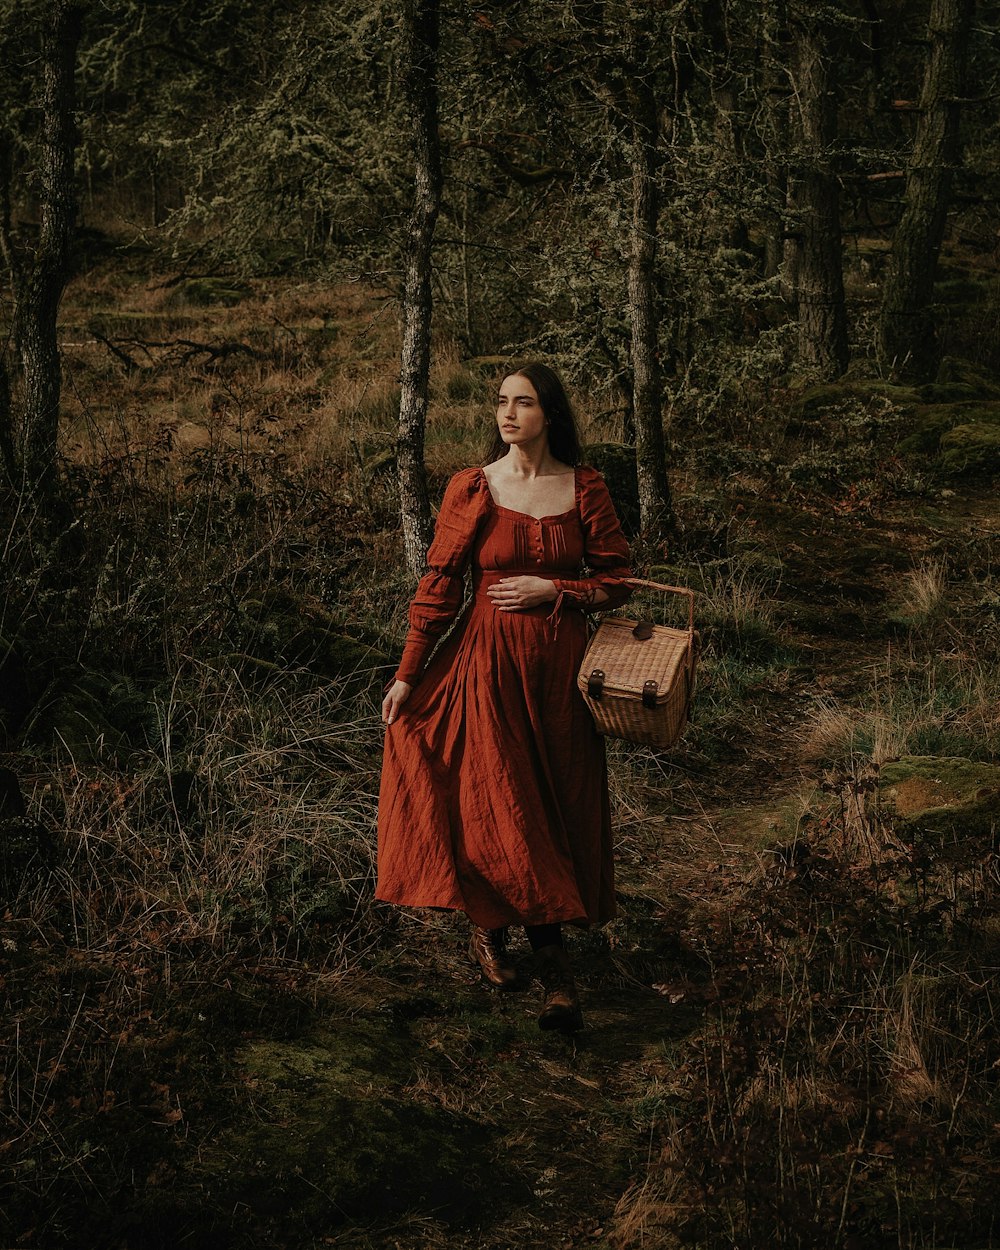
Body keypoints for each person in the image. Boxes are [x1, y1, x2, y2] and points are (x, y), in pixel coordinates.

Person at [377, 362, 632, 1032]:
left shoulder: (585, 487)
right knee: (508, 803)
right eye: (500, 402)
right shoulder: (474, 487)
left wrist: (558, 592)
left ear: (549, 412)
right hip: (487, 664)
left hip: (563, 676)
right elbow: (439, 585)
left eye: (522, 403)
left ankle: (492, 926)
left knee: (558, 807)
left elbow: (618, 581)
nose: (507, 413)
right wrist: (408, 672)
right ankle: (556, 978)